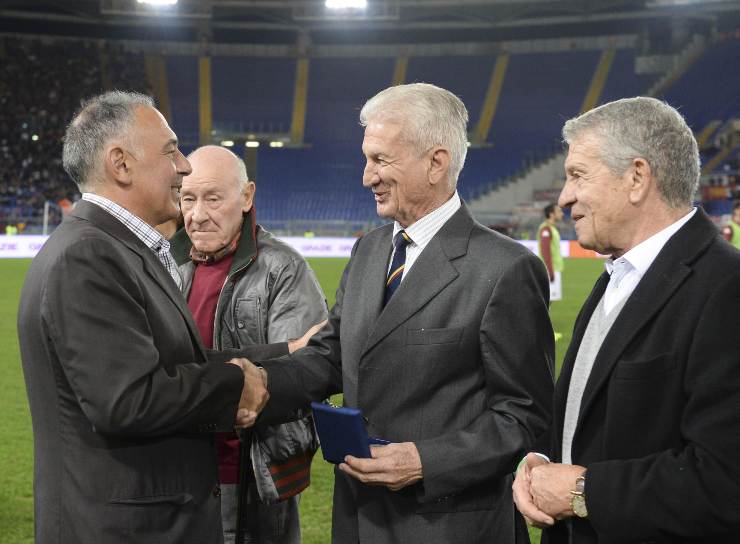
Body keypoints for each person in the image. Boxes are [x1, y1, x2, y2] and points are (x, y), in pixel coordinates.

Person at [253, 83, 555, 543]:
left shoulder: (505, 268)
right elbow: (331, 355)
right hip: (358, 519)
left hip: (447, 527)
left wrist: (426, 461)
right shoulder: (370, 250)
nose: (366, 177)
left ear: (436, 162)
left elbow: (525, 416)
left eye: (380, 159)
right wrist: (256, 382)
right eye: (366, 159)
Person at [16, 91, 287, 543]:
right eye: (171, 151)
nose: (184, 166)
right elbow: (129, 399)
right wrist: (235, 384)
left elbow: (172, 361)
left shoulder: (114, 248)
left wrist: (284, 353)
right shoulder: (89, 256)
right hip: (124, 530)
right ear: (120, 164)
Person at [512, 97, 740, 543]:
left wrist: (583, 490)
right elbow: (595, 421)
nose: (565, 197)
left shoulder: (725, 288)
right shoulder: (616, 276)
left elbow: (725, 482)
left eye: (578, 175)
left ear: (636, 178)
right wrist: (543, 460)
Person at [171, 145, 328, 544]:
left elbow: (300, 374)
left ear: (247, 197)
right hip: (176, 477)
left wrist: (188, 371)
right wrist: (278, 352)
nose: (197, 214)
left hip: (251, 479)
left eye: (213, 198)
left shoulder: (284, 268)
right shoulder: (165, 264)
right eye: (188, 199)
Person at [537, 203, 564, 302]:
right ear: (552, 214)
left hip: (553, 268)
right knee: (547, 301)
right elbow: (545, 251)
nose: (562, 214)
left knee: (548, 301)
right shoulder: (546, 229)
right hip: (550, 270)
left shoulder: (551, 228)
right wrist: (550, 271)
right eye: (559, 211)